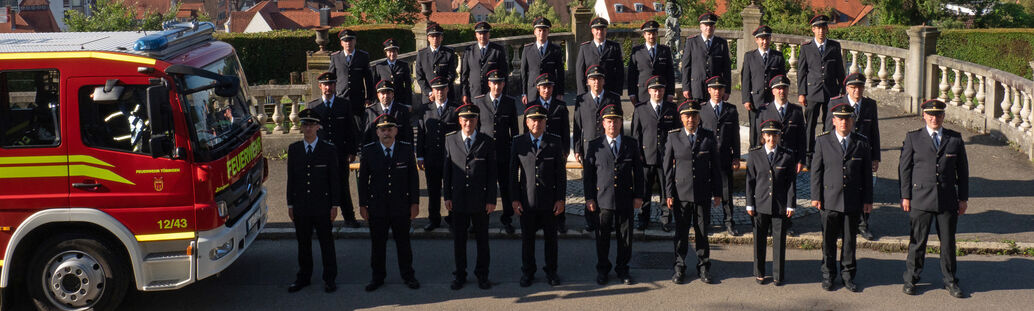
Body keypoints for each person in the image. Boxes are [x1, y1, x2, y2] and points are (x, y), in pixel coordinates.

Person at [900, 99, 968, 298]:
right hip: (920, 198)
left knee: (948, 243)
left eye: (938, 115)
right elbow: (905, 169)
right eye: (930, 115)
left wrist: (962, 198)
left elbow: (962, 172)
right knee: (917, 242)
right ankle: (911, 279)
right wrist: (905, 196)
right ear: (924, 116)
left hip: (947, 200)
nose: (934, 118)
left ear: (943, 116)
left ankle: (950, 280)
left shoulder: (954, 139)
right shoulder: (913, 138)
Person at [811, 103, 873, 292]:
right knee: (828, 242)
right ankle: (828, 275)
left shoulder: (861, 142)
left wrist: (868, 200)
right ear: (834, 121)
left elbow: (866, 176)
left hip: (852, 200)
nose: (844, 122)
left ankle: (847, 275)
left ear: (852, 121)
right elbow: (816, 171)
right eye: (840, 118)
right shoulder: (823, 141)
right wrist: (816, 196)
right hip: (829, 199)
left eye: (847, 118)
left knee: (849, 242)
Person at [358, 114, 421, 292]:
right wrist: (363, 205)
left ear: (396, 131)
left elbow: (413, 179)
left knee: (404, 244)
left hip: (401, 206)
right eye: (383, 129)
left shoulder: (406, 149)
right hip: (377, 207)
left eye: (390, 129)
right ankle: (377, 277)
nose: (386, 133)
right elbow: (363, 181)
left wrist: (414, 203)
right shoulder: (369, 151)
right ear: (377, 132)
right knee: (378, 245)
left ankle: (408, 275)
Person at [583, 104, 645, 285]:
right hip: (603, 200)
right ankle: (603, 269)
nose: (613, 125)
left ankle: (623, 269)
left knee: (625, 238)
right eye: (609, 121)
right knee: (602, 238)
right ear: (603, 123)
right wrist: (589, 198)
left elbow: (639, 173)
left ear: (621, 122)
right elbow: (588, 176)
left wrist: (638, 196)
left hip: (625, 198)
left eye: (616, 121)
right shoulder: (595, 145)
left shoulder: (631, 144)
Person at [664, 100, 721, 285]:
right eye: (687, 116)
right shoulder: (673, 137)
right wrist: (668, 193)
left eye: (694, 115)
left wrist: (718, 192)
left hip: (702, 193)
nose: (691, 119)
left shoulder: (708, 137)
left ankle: (704, 267)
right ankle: (679, 267)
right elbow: (667, 169)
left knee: (702, 232)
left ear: (699, 117)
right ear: (681, 118)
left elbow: (716, 168)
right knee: (681, 234)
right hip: (681, 194)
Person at [510, 105, 566, 287]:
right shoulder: (518, 142)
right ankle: (528, 272)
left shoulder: (554, 141)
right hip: (527, 201)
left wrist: (560, 199)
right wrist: (515, 199)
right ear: (527, 122)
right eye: (533, 120)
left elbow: (561, 174)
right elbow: (512, 174)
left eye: (541, 120)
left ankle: (552, 272)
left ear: (545, 122)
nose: (537, 123)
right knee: (528, 241)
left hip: (549, 201)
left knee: (551, 240)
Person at [286, 109, 340, 293]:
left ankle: (330, 278)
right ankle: (304, 276)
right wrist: (290, 204)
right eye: (305, 125)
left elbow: (334, 179)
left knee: (326, 243)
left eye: (311, 125)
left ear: (318, 127)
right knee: (303, 244)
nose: (308, 128)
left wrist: (335, 205)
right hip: (301, 205)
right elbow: (291, 179)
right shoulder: (294, 149)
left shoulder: (328, 149)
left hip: (322, 205)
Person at [443, 104, 496, 290]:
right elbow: (447, 171)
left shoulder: (486, 141)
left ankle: (482, 275)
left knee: (482, 240)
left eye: (472, 119)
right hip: (458, 199)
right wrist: (447, 196)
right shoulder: (450, 140)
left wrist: (491, 199)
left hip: (480, 199)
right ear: (459, 121)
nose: (468, 123)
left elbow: (491, 174)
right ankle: (460, 274)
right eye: (465, 120)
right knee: (459, 241)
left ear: (477, 121)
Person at [825, 73, 882, 240]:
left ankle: (863, 224)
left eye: (860, 87)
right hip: (842, 152)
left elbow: (874, 132)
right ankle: (842, 224)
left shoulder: (870, 105)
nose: (857, 90)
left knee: (865, 187)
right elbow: (829, 131)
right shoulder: (836, 103)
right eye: (853, 87)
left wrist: (875, 156)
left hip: (863, 152)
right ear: (847, 88)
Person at [746, 120, 798, 286]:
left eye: (775, 135)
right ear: (763, 136)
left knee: (779, 242)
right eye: (768, 135)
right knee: (759, 241)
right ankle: (760, 272)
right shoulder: (754, 154)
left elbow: (791, 182)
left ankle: (778, 275)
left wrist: (791, 204)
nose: (771, 139)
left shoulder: (787, 155)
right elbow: (750, 181)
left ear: (779, 136)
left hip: (779, 205)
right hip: (760, 204)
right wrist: (749, 204)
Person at [755, 75, 806, 236]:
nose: (781, 91)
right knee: (768, 188)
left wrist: (801, 159)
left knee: (787, 189)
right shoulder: (764, 110)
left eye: (784, 88)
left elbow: (802, 139)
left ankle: (786, 222)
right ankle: (769, 222)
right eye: (778, 88)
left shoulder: (796, 111)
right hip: (769, 157)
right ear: (773, 91)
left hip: (788, 158)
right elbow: (757, 137)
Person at [307, 72, 360, 228]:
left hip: (340, 153)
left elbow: (351, 130)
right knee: (321, 187)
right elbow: (309, 133)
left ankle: (349, 217)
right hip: (320, 154)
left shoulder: (344, 105)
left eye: (331, 84)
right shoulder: (313, 106)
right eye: (325, 84)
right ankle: (322, 218)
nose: (328, 87)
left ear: (335, 86)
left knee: (343, 186)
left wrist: (352, 151)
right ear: (320, 86)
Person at [572, 65, 622, 232]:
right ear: (587, 82)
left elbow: (619, 123)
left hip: (608, 146)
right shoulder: (581, 100)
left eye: (599, 79)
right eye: (593, 79)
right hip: (588, 147)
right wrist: (577, 148)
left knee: (609, 181)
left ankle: (611, 218)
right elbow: (578, 126)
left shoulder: (612, 98)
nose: (596, 82)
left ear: (604, 81)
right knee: (589, 182)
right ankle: (591, 219)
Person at [474, 69, 520, 234]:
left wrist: (515, 151)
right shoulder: (479, 102)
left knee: (506, 187)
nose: (497, 86)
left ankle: (507, 219)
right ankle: (480, 219)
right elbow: (476, 130)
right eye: (494, 83)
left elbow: (514, 130)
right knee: (482, 187)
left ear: (503, 84)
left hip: (503, 152)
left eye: (500, 83)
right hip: (484, 154)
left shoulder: (509, 102)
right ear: (488, 84)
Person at [630, 76, 679, 231]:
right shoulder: (640, 109)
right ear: (649, 91)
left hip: (665, 156)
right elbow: (635, 134)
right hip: (646, 156)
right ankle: (643, 218)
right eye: (655, 90)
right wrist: (638, 154)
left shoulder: (672, 108)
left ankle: (665, 219)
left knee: (666, 190)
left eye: (661, 89)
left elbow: (677, 133)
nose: (658, 92)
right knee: (645, 191)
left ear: (664, 91)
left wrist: (675, 155)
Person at [524, 72, 571, 233]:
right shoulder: (531, 105)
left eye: (549, 87)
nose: (546, 90)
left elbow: (565, 130)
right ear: (538, 88)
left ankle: (560, 219)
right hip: (537, 151)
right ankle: (537, 218)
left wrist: (565, 151)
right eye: (543, 87)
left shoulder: (560, 106)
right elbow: (526, 132)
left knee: (558, 184)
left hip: (555, 152)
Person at [797, 15, 846, 162]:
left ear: (827, 29)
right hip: (812, 91)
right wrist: (802, 93)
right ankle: (808, 153)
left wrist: (842, 89)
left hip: (831, 91)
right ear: (813, 30)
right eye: (818, 28)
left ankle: (827, 151)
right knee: (810, 124)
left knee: (829, 123)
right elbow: (802, 72)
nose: (821, 31)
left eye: (823, 28)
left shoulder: (834, 46)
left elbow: (840, 70)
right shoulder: (806, 48)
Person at [699, 76, 741, 236]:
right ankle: (706, 222)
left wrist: (736, 156)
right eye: (714, 89)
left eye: (720, 89)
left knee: (726, 191)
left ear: (724, 91)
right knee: (705, 191)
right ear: (709, 90)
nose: (717, 92)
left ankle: (729, 222)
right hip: (707, 158)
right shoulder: (702, 110)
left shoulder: (731, 110)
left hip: (724, 157)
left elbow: (735, 135)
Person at [417, 76, 460, 231]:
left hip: (450, 157)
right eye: (437, 89)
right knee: (433, 190)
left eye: (442, 89)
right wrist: (420, 155)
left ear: (447, 89)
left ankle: (453, 218)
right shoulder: (425, 110)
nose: (440, 92)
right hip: (431, 156)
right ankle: (433, 219)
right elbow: (421, 134)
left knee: (452, 188)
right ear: (432, 92)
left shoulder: (455, 109)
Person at [740, 25, 786, 148]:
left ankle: (773, 150)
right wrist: (746, 99)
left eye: (766, 38)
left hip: (772, 99)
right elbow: (745, 79)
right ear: (756, 40)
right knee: (755, 128)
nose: (764, 41)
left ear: (770, 39)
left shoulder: (778, 56)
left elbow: (782, 80)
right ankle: (754, 151)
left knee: (772, 127)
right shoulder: (750, 56)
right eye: (761, 39)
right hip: (755, 100)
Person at [681, 12, 731, 102]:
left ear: (714, 27)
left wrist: (727, 90)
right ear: (701, 27)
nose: (708, 28)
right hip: (696, 88)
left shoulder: (721, 43)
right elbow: (686, 66)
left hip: (716, 90)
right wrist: (685, 87)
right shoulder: (692, 42)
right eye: (706, 25)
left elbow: (726, 69)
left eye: (711, 25)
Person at [328, 29, 375, 124]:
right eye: (345, 41)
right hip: (341, 97)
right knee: (341, 125)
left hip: (358, 99)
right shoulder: (335, 57)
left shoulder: (363, 56)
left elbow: (369, 79)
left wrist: (369, 98)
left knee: (358, 126)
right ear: (341, 43)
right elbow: (331, 79)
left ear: (355, 41)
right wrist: (331, 96)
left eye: (350, 40)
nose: (348, 43)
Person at [460, 21, 509, 105]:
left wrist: (504, 93)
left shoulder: (497, 50)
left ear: (489, 34)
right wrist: (464, 93)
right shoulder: (469, 51)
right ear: (476, 35)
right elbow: (464, 75)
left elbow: (504, 74)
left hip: (492, 93)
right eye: (480, 33)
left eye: (485, 33)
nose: (482, 36)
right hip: (474, 93)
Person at [627, 20, 675, 105]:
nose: (651, 36)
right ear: (644, 35)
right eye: (649, 34)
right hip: (642, 93)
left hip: (661, 92)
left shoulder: (665, 50)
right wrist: (631, 93)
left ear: (657, 34)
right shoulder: (637, 51)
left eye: (654, 33)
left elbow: (670, 73)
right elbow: (632, 74)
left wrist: (671, 93)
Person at [520, 17, 565, 105]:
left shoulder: (555, 50)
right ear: (535, 32)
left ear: (548, 32)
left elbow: (560, 72)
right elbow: (523, 73)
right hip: (532, 91)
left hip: (550, 90)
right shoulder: (527, 50)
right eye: (539, 30)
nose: (542, 33)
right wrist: (524, 93)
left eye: (544, 30)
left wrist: (560, 93)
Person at [575, 17, 624, 97]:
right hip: (590, 92)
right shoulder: (585, 48)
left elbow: (620, 71)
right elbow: (580, 72)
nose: (599, 32)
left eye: (602, 29)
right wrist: (581, 93)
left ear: (606, 31)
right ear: (592, 31)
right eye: (597, 29)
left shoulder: (614, 47)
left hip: (610, 91)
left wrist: (617, 92)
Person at [415, 23, 458, 101]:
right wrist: (430, 92)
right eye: (432, 36)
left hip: (446, 95)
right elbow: (419, 77)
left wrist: (441, 90)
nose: (435, 39)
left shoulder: (448, 53)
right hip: (429, 97)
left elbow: (451, 74)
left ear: (441, 38)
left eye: (437, 36)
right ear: (428, 38)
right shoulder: (422, 54)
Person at [362, 80, 412, 145]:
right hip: (376, 151)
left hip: (397, 151)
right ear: (378, 95)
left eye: (388, 93)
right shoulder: (370, 111)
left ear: (393, 94)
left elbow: (408, 135)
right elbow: (366, 136)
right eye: (383, 93)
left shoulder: (402, 110)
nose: (385, 96)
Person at [372, 38, 413, 108]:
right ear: (385, 53)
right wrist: (376, 102)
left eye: (394, 51)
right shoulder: (379, 66)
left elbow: (408, 86)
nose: (392, 54)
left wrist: (408, 103)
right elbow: (375, 86)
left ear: (397, 52)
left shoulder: (403, 66)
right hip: (385, 100)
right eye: (389, 52)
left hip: (400, 100)